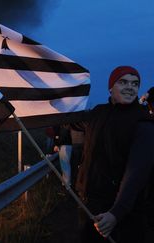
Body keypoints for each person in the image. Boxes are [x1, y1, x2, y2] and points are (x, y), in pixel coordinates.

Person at [73, 66, 154, 243]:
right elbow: (73, 122)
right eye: (123, 82)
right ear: (111, 87)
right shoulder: (98, 113)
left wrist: (116, 213)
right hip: (87, 205)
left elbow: (136, 174)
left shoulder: (143, 123)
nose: (130, 87)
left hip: (119, 212)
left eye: (135, 84)